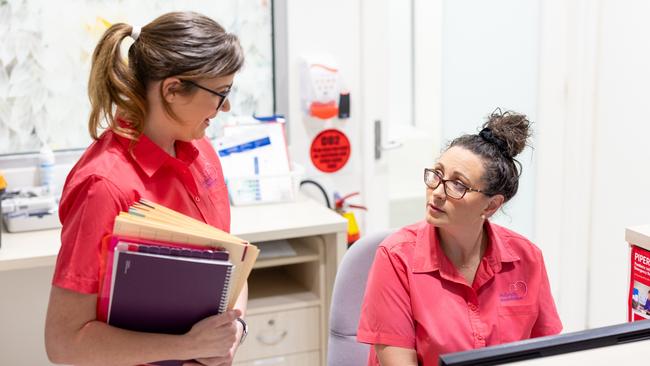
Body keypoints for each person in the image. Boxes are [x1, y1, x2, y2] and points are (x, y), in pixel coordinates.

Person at [44, 11, 247, 366]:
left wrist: (233, 331)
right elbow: (64, 343)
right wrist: (190, 346)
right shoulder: (104, 186)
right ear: (171, 89)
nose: (225, 106)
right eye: (220, 93)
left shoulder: (201, 152)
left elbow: (231, 266)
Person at [357, 109, 562, 365]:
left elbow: (547, 353)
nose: (438, 192)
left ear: (491, 206)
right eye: (437, 174)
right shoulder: (396, 258)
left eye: (458, 185)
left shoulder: (527, 258)